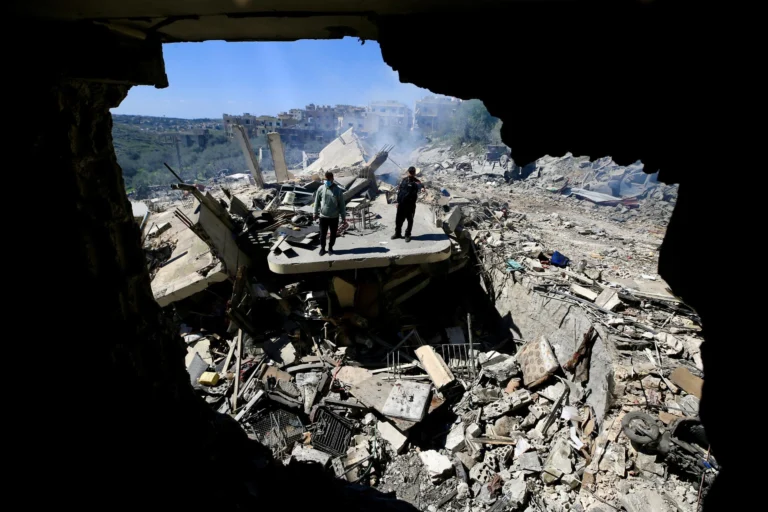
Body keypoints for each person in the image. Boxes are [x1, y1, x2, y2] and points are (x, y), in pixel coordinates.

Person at [313, 171, 346, 256]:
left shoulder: (338, 190)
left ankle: (330, 248)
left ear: (332, 179)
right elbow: (316, 202)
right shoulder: (321, 188)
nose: (326, 180)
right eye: (325, 179)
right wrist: (315, 213)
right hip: (323, 216)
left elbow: (342, 205)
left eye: (328, 179)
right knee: (323, 234)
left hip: (334, 217)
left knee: (333, 234)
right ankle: (322, 249)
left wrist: (343, 218)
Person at [392, 166, 422, 242]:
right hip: (401, 204)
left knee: (410, 220)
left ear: (414, 173)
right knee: (398, 220)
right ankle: (397, 233)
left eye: (412, 173)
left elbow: (419, 188)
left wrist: (420, 184)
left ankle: (407, 234)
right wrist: (398, 202)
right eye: (410, 172)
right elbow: (400, 192)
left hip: (410, 205)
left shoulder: (416, 182)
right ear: (408, 172)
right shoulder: (404, 180)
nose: (411, 174)